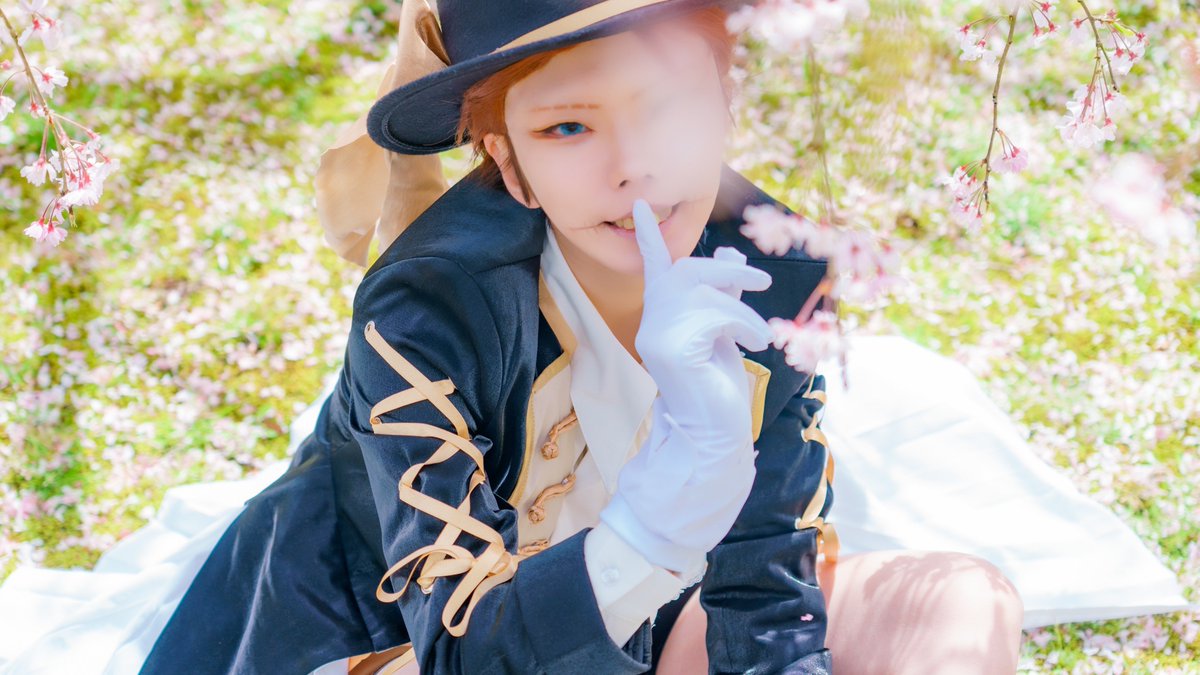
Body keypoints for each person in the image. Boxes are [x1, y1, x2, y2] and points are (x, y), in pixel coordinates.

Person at [137, 0, 1026, 673]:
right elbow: (462, 650)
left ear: (724, 104)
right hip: (398, 647)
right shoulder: (427, 306)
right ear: (510, 163)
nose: (632, 166)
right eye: (568, 126)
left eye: (666, 105)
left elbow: (762, 585)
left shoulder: (778, 272)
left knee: (961, 602)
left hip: (651, 624)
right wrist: (653, 528)